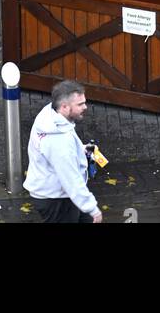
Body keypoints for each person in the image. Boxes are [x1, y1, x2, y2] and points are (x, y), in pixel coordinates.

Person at [24, 81, 103, 224]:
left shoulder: (50, 115)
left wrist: (80, 149)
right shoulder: (59, 141)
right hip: (57, 200)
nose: (85, 107)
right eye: (80, 104)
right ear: (64, 107)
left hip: (53, 193)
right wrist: (93, 208)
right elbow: (71, 179)